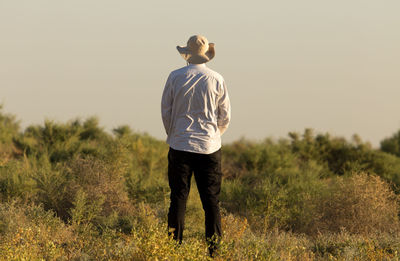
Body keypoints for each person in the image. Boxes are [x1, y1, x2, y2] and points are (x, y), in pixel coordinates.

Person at [161, 35, 231, 256]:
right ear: (206, 55)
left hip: (180, 144)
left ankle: (174, 249)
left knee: (178, 198)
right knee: (211, 201)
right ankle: (214, 252)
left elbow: (166, 112)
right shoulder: (217, 79)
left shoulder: (175, 77)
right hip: (209, 147)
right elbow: (225, 116)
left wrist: (174, 135)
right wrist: (214, 135)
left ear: (187, 55)